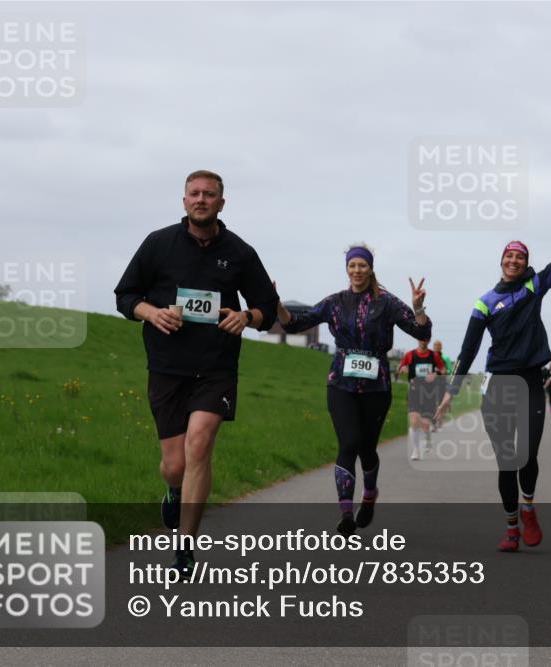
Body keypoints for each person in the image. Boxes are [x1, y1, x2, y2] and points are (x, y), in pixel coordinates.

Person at [114, 170, 279, 573]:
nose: (201, 199)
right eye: (195, 193)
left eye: (209, 194)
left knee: (200, 445)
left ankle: (184, 547)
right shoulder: (158, 244)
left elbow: (267, 309)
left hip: (216, 367)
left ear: (222, 203)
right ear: (184, 200)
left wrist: (246, 316)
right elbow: (125, 296)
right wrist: (152, 313)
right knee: (175, 465)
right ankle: (174, 490)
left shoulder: (240, 252)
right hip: (167, 366)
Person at [436, 182, 551, 552]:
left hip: (532, 382)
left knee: (528, 454)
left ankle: (528, 507)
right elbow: (468, 349)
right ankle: (511, 527)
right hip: (499, 386)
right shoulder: (485, 303)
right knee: (506, 462)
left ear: (524, 262)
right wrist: (450, 392)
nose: (514, 261)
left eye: (520, 257)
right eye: (509, 256)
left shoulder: (535, 286)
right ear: (501, 262)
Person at [276, 244, 431, 536]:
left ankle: (369, 495)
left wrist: (419, 308)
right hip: (341, 384)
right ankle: (346, 514)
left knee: (366, 449)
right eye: (352, 265)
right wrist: (277, 305)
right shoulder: (335, 302)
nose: (357, 270)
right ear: (346, 269)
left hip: (376, 387)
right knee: (348, 444)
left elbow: (421, 331)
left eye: (362, 265)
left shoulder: (386, 303)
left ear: (370, 269)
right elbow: (295, 324)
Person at [396, 339, 446, 459]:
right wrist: (402, 368)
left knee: (425, 424)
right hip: (414, 392)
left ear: (428, 340)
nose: (423, 341)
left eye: (425, 339)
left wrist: (436, 374)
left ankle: (427, 435)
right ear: (418, 340)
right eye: (421, 339)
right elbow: (400, 367)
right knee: (413, 420)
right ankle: (416, 450)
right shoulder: (410, 355)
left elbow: (443, 370)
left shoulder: (434, 356)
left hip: (428, 394)